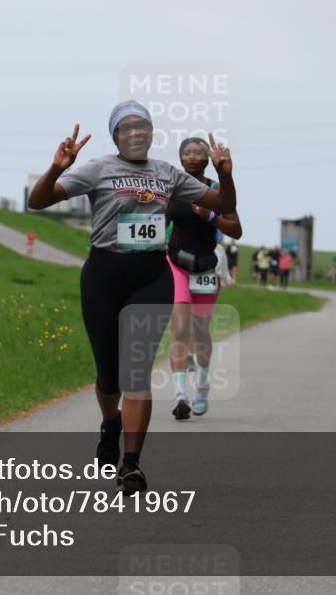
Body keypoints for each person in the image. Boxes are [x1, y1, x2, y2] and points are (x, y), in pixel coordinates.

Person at [27, 100, 236, 495]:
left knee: (137, 372)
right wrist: (58, 166)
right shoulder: (98, 168)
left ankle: (131, 464)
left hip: (150, 277)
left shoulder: (167, 173)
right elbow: (38, 201)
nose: (137, 132)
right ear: (116, 136)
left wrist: (225, 176)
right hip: (103, 275)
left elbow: (224, 206)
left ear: (152, 133)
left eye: (143, 126)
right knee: (110, 376)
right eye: (127, 127)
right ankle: (110, 424)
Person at [166, 137, 243, 420]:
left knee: (200, 332)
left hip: (207, 266)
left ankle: (202, 383)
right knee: (180, 327)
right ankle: (179, 394)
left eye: (199, 152)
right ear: (180, 158)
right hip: (176, 263)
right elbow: (157, 219)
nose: (192, 156)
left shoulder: (216, 190)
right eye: (187, 152)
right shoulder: (171, 186)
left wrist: (210, 216)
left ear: (207, 158)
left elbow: (236, 230)